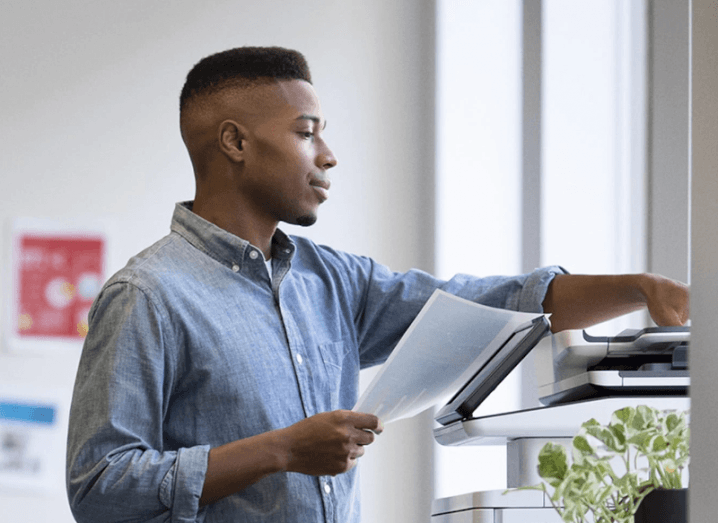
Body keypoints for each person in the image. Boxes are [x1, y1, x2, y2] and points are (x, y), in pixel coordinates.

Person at [66, 46, 689, 523]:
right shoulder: (147, 296)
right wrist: (280, 450)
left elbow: (502, 301)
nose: (328, 154)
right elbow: (99, 485)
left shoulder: (334, 280)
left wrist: (642, 288)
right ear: (235, 142)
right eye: (307, 132)